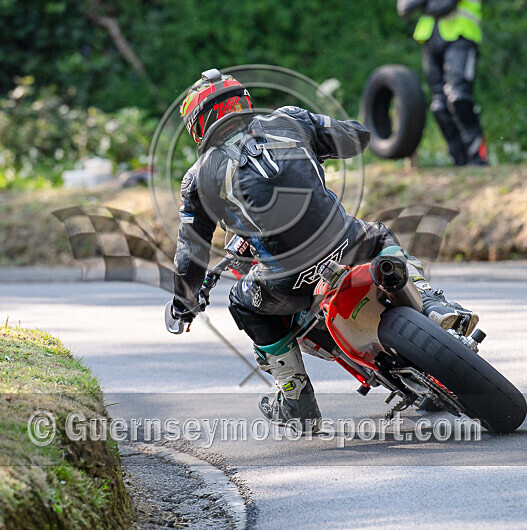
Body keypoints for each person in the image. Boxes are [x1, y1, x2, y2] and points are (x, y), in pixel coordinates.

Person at [167, 68, 478, 431]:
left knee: (241, 303)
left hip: (287, 282)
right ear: (244, 102)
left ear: (199, 126)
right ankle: (434, 305)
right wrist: (316, 147)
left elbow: (191, 254)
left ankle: (297, 398)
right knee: (380, 237)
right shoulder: (290, 119)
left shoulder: (197, 177)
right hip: (348, 244)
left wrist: (183, 306)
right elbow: (356, 137)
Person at [398, 0, 487, 166]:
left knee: (459, 97)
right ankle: (459, 162)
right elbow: (404, 6)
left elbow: (445, 5)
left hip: (462, 34)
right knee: (439, 106)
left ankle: (478, 158)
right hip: (431, 38)